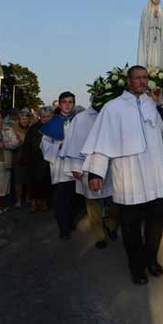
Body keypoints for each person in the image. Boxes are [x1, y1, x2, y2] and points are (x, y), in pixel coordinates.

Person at [82, 65, 163, 285]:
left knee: (155, 223)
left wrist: (161, 104)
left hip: (156, 175)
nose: (142, 82)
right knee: (131, 227)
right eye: (137, 78)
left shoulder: (154, 103)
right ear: (128, 81)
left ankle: (151, 259)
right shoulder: (113, 108)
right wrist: (96, 172)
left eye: (145, 78)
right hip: (129, 175)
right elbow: (101, 142)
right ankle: (137, 268)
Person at [61, 104, 118, 249]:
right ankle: (98, 234)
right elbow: (73, 142)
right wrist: (75, 165)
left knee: (114, 199)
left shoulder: (113, 114)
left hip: (111, 166)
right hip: (86, 165)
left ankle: (111, 225)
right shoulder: (81, 119)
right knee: (93, 202)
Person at [41, 92, 78, 239]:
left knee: (74, 197)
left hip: (76, 165)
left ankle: (70, 221)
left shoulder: (78, 121)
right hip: (60, 166)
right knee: (61, 198)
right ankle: (63, 228)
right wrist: (59, 147)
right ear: (60, 104)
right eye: (64, 102)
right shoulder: (52, 123)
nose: (67, 105)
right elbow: (44, 144)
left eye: (70, 102)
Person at [24, 106, 53, 213]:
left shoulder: (55, 128)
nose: (46, 119)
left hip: (49, 160)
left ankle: (44, 202)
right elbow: (27, 144)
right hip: (34, 160)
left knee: (46, 182)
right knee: (34, 183)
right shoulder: (34, 128)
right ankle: (33, 203)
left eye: (48, 116)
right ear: (40, 117)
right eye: (43, 117)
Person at [137, 0, 163, 71]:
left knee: (158, 53)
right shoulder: (146, 10)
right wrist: (152, 17)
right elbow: (144, 23)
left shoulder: (161, 12)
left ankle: (159, 67)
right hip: (149, 34)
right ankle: (148, 67)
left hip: (158, 35)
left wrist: (158, 17)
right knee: (150, 53)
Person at [11, 109, 32, 207]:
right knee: (18, 180)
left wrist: (22, 137)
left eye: (26, 119)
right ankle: (18, 200)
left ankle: (28, 197)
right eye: (22, 119)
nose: (24, 121)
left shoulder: (32, 128)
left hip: (30, 156)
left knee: (29, 179)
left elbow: (27, 141)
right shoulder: (13, 128)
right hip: (18, 156)